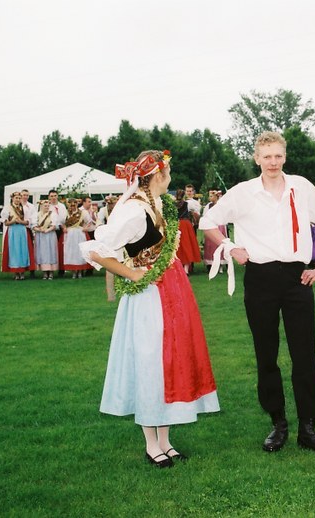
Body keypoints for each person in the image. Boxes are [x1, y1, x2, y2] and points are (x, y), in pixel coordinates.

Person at [200, 131, 315, 456]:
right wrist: (230, 246)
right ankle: (278, 423)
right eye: (267, 156)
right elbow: (208, 221)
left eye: (278, 156)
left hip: (297, 278)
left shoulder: (301, 187)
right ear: (257, 158)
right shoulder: (243, 192)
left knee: (304, 354)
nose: (273, 162)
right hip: (260, 278)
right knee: (266, 354)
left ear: (284, 156)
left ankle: (308, 429)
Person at [80, 149, 219, 468]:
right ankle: (151, 444)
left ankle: (165, 441)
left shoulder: (159, 203)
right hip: (149, 295)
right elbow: (96, 251)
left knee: (172, 359)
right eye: (168, 172)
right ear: (158, 175)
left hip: (174, 288)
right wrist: (132, 274)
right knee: (151, 360)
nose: (170, 177)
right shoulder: (133, 210)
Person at [2, 191, 35, 280]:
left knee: (23, 250)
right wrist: (13, 221)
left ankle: (22, 271)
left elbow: (28, 221)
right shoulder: (8, 208)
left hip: (22, 230)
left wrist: (21, 221)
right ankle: (16, 271)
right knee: (14, 250)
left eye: (19, 198)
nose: (18, 199)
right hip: (13, 230)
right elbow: (6, 223)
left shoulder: (24, 208)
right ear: (12, 198)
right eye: (16, 198)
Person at [62, 198, 92, 279]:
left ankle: (80, 270)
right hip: (70, 234)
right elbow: (61, 223)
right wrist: (64, 228)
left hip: (79, 233)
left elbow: (89, 221)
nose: (72, 206)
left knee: (79, 251)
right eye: (71, 205)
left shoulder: (82, 212)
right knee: (71, 252)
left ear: (77, 204)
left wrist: (86, 228)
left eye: (74, 204)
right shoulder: (66, 213)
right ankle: (74, 271)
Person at [97, 195, 119, 300]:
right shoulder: (103, 211)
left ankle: (122, 288)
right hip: (108, 240)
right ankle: (111, 295)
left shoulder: (120, 210)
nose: (112, 206)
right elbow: (99, 223)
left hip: (120, 238)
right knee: (110, 266)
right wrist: (105, 230)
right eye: (110, 204)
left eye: (113, 204)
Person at [175, 188, 202, 274]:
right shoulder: (188, 204)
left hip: (176, 224)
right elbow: (196, 210)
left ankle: (179, 267)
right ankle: (186, 268)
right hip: (186, 224)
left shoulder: (173, 204)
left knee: (178, 246)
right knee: (187, 245)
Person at [202, 190, 228, 272]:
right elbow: (205, 216)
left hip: (219, 226)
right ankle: (211, 264)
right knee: (210, 246)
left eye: (211, 196)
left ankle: (220, 264)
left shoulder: (221, 205)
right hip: (211, 226)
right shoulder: (208, 206)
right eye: (209, 196)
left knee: (219, 244)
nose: (210, 198)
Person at [33, 199, 59, 280]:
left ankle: (51, 272)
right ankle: (44, 272)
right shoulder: (37, 214)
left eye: (48, 206)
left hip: (50, 235)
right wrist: (39, 229)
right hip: (40, 235)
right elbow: (33, 225)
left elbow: (54, 225)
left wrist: (47, 230)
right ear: (41, 206)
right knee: (42, 252)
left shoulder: (53, 214)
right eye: (45, 206)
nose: (47, 207)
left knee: (51, 251)